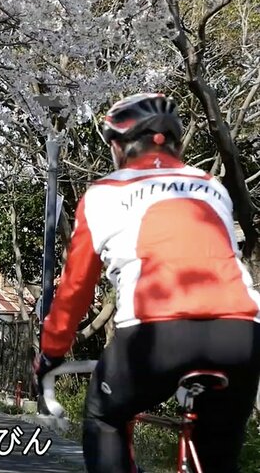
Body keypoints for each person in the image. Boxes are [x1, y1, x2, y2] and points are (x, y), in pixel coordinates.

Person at [33, 93, 260, 473]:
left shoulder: (102, 193)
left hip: (155, 336)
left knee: (105, 417)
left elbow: (76, 288)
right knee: (220, 452)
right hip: (240, 333)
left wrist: (51, 352)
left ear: (121, 146)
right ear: (171, 141)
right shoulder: (211, 185)